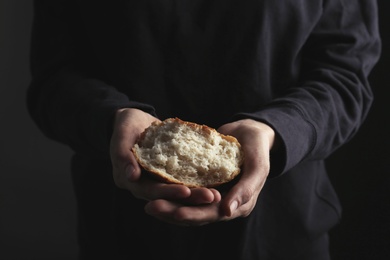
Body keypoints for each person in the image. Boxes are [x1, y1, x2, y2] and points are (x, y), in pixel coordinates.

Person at [26, 0, 381, 259]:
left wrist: (275, 129)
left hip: (280, 231)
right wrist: (112, 116)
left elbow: (344, 77)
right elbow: (53, 80)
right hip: (124, 232)